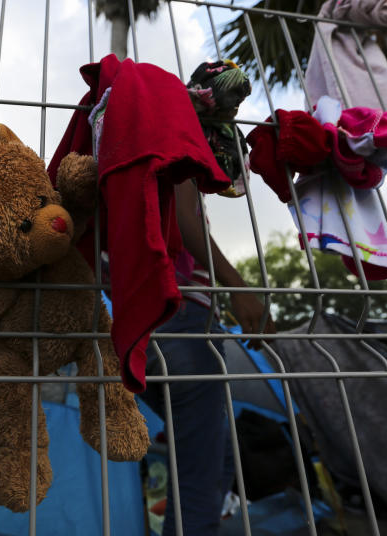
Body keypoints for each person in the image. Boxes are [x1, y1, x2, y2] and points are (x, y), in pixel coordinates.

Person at [138, 179, 275, 536]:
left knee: (218, 457)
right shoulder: (172, 132)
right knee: (198, 484)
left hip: (148, 320)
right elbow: (185, 217)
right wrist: (238, 287)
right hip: (181, 319)